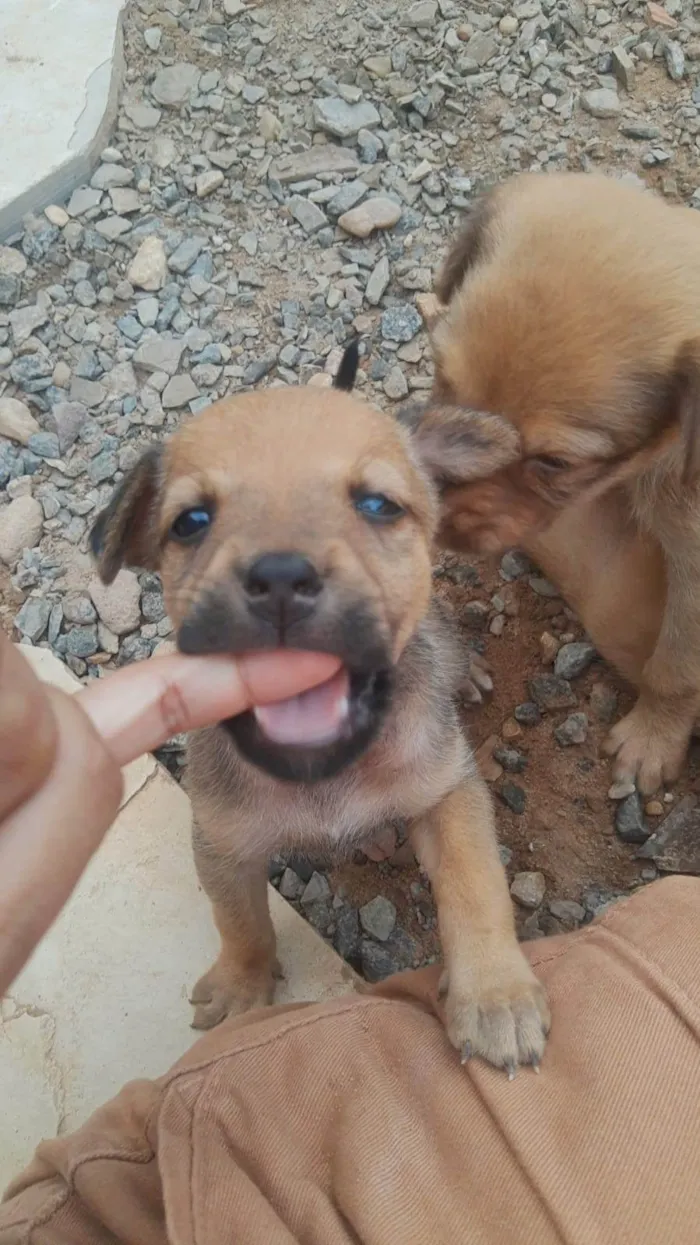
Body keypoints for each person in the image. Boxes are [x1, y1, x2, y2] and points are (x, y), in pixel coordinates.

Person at [0, 630, 699, 1244]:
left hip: (412, 674)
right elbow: (224, 853)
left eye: (373, 506)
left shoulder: (411, 685)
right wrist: (246, 957)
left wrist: (486, 954)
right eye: (194, 523)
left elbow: (449, 793)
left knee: (437, 655)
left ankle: (453, 649)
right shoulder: (222, 759)